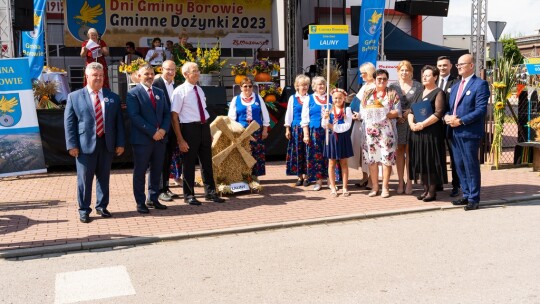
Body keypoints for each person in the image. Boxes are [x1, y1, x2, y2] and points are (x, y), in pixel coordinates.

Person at [64, 62, 125, 223]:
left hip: (107, 144)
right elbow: (69, 123)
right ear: (87, 76)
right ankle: (84, 209)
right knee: (84, 179)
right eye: (95, 75)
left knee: (104, 177)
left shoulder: (112, 97)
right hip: (84, 146)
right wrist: (72, 145)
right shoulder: (74, 97)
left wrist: (120, 143)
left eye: (101, 75)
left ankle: (102, 206)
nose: (98, 78)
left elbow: (119, 123)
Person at [170, 62, 225, 205]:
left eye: (198, 70)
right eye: (194, 71)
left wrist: (207, 131)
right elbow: (174, 116)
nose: (198, 73)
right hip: (188, 128)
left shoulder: (199, 90)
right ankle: (189, 195)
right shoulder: (179, 91)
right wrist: (180, 139)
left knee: (207, 162)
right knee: (188, 163)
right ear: (185, 74)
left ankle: (210, 193)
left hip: (203, 127)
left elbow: (203, 111)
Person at [444, 54, 490, 211]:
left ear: (471, 65)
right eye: (457, 65)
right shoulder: (456, 86)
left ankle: (474, 198)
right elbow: (450, 108)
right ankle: (466, 194)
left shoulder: (480, 84)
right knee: (459, 165)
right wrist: (448, 117)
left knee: (471, 165)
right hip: (454, 132)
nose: (459, 67)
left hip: (469, 132)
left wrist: (461, 121)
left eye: (462, 64)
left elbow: (480, 110)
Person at [126, 63, 171, 214]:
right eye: (146, 74)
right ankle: (140, 202)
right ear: (139, 76)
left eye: (152, 74)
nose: (150, 76)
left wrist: (163, 130)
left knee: (157, 170)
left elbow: (166, 113)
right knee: (140, 172)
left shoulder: (159, 92)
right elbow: (134, 116)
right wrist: (153, 132)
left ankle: (153, 198)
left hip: (160, 139)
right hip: (142, 140)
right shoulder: (133, 94)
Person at [408, 65, 448, 202]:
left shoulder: (438, 93)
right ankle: (425, 190)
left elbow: (438, 113)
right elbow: (411, 111)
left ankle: (432, 192)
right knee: (421, 161)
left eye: (428, 75)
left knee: (431, 161)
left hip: (431, 134)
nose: (424, 77)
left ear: (435, 77)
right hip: (418, 134)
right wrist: (411, 124)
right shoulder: (419, 92)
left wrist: (422, 124)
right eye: (423, 75)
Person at [361, 69, 401, 198]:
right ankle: (375, 187)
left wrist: (384, 113)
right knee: (372, 160)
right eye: (379, 79)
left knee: (386, 160)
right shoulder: (367, 93)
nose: (382, 81)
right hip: (370, 132)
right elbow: (362, 110)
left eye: (384, 79)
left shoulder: (392, 93)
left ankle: (385, 187)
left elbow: (398, 112)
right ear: (374, 80)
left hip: (386, 132)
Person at [388, 60, 422, 195]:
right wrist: (397, 115)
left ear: (411, 72)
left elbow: (421, 103)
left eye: (407, 70)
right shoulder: (392, 87)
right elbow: (389, 104)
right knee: (399, 152)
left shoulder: (419, 86)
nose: (404, 72)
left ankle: (409, 181)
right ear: (397, 72)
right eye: (401, 70)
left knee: (411, 152)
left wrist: (410, 112)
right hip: (398, 123)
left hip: (412, 121)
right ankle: (400, 181)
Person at [228, 77, 270, 178]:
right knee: (242, 153)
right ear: (241, 88)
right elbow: (231, 118)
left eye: (250, 86)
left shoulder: (258, 98)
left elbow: (265, 115)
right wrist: (233, 132)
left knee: (256, 153)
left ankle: (255, 176)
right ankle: (243, 176)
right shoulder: (236, 99)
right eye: (245, 86)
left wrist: (265, 130)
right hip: (241, 132)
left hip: (256, 131)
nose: (248, 88)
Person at [152, 60, 181, 202]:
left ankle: (165, 187)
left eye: (172, 69)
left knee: (168, 158)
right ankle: (158, 190)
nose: (170, 72)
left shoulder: (176, 86)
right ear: (161, 69)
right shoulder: (156, 85)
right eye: (167, 69)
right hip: (160, 129)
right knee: (159, 159)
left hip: (173, 128)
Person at [301, 76, 332, 191]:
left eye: (323, 84)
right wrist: (306, 134)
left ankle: (330, 180)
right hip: (315, 131)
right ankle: (318, 180)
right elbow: (304, 117)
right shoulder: (309, 98)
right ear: (314, 87)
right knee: (316, 155)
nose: (322, 86)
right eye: (319, 84)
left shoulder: (331, 98)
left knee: (330, 155)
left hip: (329, 130)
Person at [348, 62, 376, 188]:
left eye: (363, 73)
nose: (361, 75)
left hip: (369, 124)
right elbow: (357, 103)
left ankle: (371, 179)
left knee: (370, 152)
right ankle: (364, 177)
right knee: (360, 151)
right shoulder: (365, 85)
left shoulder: (375, 86)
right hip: (359, 123)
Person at [436, 55, 460, 197]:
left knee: (454, 156)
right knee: (437, 155)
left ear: (451, 66)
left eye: (445, 65)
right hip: (434, 125)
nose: (442, 68)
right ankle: (438, 182)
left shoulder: (456, 82)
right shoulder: (432, 81)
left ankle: (456, 185)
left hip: (450, 125)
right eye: (439, 66)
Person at [322, 88, 354, 197]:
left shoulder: (347, 110)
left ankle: (345, 187)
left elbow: (347, 126)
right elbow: (324, 125)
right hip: (331, 138)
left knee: (344, 163)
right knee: (332, 163)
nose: (337, 100)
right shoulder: (328, 109)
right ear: (332, 98)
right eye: (335, 98)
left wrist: (333, 127)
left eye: (340, 98)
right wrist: (325, 119)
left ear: (344, 98)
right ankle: (333, 187)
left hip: (343, 137)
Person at [284, 75, 310, 186]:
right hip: (296, 129)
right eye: (302, 85)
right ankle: (299, 177)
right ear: (297, 86)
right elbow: (289, 114)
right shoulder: (292, 98)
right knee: (298, 152)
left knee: (308, 152)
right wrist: (287, 128)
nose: (304, 87)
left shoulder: (311, 98)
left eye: (306, 85)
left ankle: (308, 176)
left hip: (309, 129)